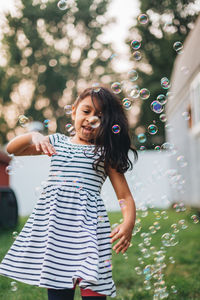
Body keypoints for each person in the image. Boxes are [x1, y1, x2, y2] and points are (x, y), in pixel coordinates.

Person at [0, 86, 138, 300]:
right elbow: (12, 149)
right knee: (59, 291)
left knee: (94, 288)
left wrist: (128, 223)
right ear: (73, 111)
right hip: (57, 232)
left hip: (90, 231)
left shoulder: (105, 153)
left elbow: (124, 196)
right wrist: (33, 136)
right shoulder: (56, 143)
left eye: (100, 116)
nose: (91, 119)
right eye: (86, 111)